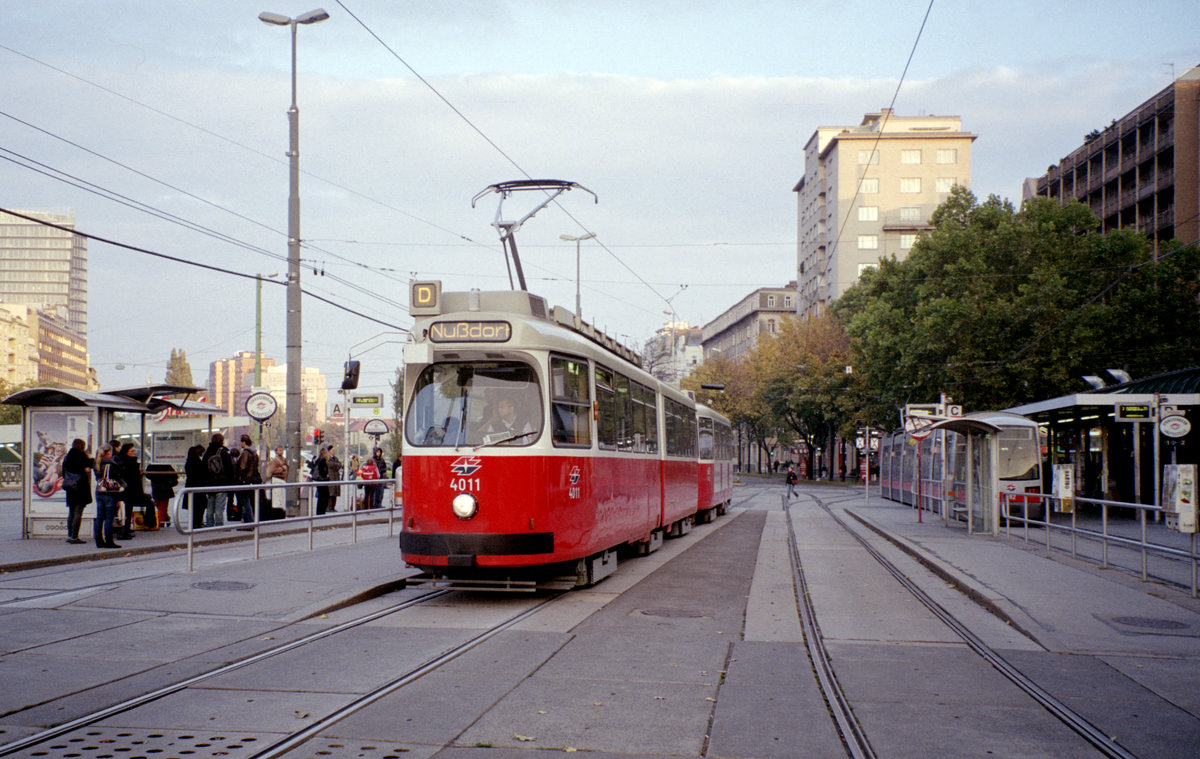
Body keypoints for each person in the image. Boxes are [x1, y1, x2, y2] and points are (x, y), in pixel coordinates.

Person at [60, 439, 93, 544]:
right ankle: (75, 537)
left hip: (70, 487)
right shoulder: (81, 456)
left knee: (71, 512)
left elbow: (63, 472)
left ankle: (70, 535)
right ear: (82, 446)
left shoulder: (67, 457)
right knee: (78, 512)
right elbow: (90, 464)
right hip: (80, 487)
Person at [93, 444, 125, 549]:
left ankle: (98, 540)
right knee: (109, 517)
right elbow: (117, 477)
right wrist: (124, 485)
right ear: (109, 452)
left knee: (100, 517)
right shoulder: (111, 463)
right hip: (109, 492)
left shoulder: (97, 462)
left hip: (99, 491)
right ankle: (109, 540)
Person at [202, 433, 234, 526]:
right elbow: (229, 469)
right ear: (222, 441)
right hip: (221, 483)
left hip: (209, 484)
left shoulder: (208, 452)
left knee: (210, 507)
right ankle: (219, 526)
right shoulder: (223, 452)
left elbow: (204, 468)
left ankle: (209, 524)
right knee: (219, 508)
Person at [117, 443, 146, 536]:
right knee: (127, 508)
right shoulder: (127, 461)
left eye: (134, 450)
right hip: (128, 488)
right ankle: (124, 529)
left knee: (128, 508)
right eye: (132, 451)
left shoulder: (128, 460)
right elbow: (129, 475)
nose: (134, 452)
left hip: (131, 488)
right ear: (126, 451)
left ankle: (126, 528)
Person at [235, 434, 262, 523]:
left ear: (243, 442)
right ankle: (249, 520)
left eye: (241, 442)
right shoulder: (254, 452)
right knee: (251, 501)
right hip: (253, 479)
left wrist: (238, 474)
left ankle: (249, 521)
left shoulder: (245, 453)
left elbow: (242, 467)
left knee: (245, 501)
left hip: (245, 479)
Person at [145, 462, 179, 529]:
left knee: (161, 506)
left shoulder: (153, 464)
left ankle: (161, 522)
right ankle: (165, 518)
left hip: (161, 488)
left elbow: (148, 474)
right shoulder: (166, 464)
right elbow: (174, 475)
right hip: (162, 488)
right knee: (160, 505)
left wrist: (155, 476)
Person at [312, 446, 331, 515]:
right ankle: (321, 512)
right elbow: (322, 471)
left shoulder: (318, 460)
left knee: (320, 497)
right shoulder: (323, 461)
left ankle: (319, 512)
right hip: (323, 481)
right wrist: (326, 476)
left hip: (318, 481)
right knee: (324, 497)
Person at [327, 447, 343, 512]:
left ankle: (333, 507)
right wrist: (336, 465)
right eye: (332, 450)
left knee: (335, 493)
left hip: (336, 477)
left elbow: (340, 465)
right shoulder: (328, 458)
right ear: (329, 451)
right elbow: (330, 465)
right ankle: (329, 507)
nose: (334, 451)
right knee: (330, 493)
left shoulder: (336, 458)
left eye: (334, 450)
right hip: (331, 478)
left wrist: (336, 465)